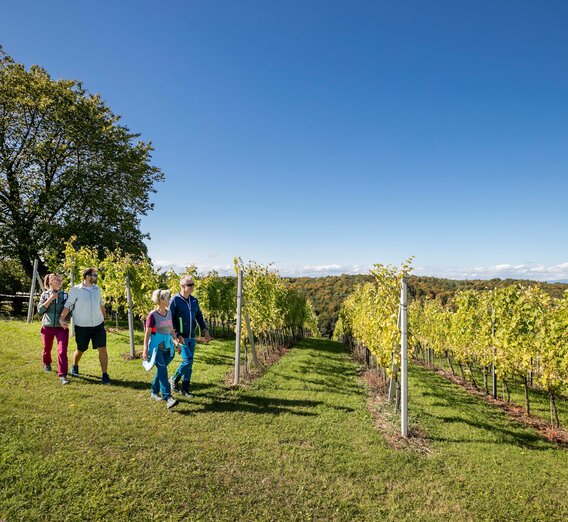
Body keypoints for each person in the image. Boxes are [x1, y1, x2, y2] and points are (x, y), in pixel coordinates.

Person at [59, 267, 111, 384]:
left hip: (98, 325)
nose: (96, 277)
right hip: (82, 326)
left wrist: (104, 317)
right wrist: (62, 318)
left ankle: (105, 374)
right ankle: (75, 365)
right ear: (87, 277)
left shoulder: (97, 289)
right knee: (81, 349)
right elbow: (68, 305)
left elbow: (101, 304)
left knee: (102, 349)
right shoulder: (76, 290)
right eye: (94, 275)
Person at [169, 275, 211, 397]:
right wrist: (177, 335)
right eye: (190, 285)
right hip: (181, 337)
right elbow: (170, 319)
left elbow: (199, 316)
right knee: (187, 360)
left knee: (189, 364)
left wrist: (205, 330)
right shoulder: (175, 300)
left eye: (193, 284)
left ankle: (185, 389)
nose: (193, 286)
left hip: (191, 336)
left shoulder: (194, 301)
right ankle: (174, 379)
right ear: (182, 286)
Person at [142, 289, 180, 409]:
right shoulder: (152, 316)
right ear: (161, 300)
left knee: (161, 370)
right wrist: (145, 349)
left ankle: (154, 391)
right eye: (168, 298)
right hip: (156, 348)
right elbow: (147, 334)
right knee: (163, 370)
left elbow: (171, 329)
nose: (169, 300)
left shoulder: (168, 313)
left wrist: (176, 343)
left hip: (167, 347)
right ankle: (168, 397)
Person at [37, 273, 70, 385]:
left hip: (61, 328)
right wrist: (50, 298)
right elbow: (40, 310)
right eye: (57, 280)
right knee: (47, 348)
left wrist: (65, 320)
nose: (60, 282)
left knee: (62, 351)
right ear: (51, 281)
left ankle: (63, 375)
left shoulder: (65, 295)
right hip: (47, 326)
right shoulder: (45, 295)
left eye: (61, 280)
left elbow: (69, 309)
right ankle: (47, 363)